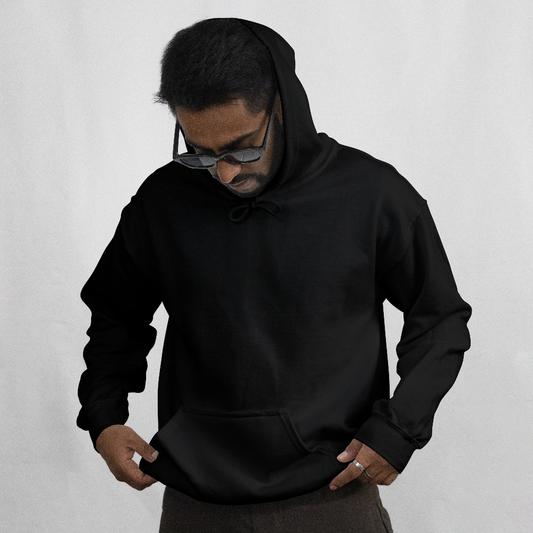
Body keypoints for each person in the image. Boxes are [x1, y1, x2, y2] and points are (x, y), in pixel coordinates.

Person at [77, 18, 472, 532]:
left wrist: (400, 429)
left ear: (282, 107)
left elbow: (439, 317)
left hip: (333, 497)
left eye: (242, 148)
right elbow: (116, 313)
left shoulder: (371, 196)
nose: (225, 173)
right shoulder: (163, 201)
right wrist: (104, 415)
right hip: (197, 502)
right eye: (200, 153)